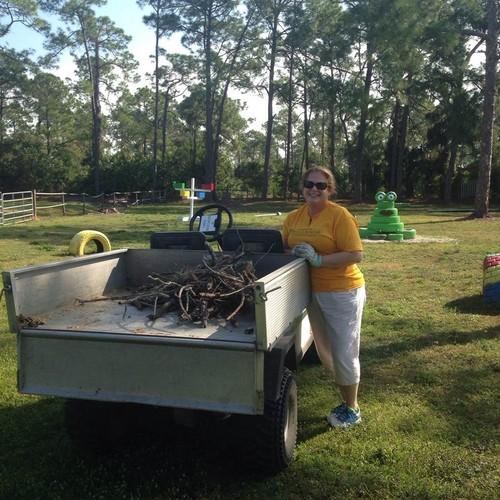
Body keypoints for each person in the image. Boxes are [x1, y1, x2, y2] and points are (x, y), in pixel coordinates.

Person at [282, 166, 366, 428]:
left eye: (321, 185)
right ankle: (345, 396)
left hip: (343, 291)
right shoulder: (294, 217)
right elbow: (282, 246)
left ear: (330, 190)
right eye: (309, 184)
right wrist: (292, 251)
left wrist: (319, 259)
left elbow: (355, 254)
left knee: (344, 350)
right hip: (311, 290)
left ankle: (352, 408)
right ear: (302, 186)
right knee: (326, 349)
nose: (314, 189)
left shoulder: (339, 216)